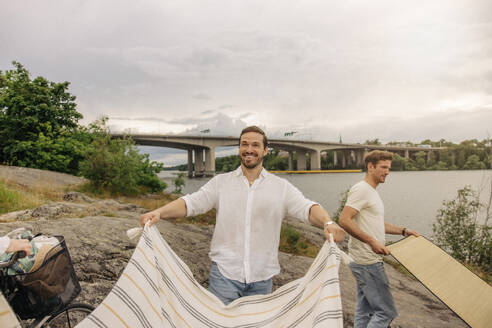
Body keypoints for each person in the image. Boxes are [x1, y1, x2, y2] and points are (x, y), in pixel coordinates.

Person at [140, 126, 346, 304]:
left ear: (265, 150)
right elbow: (191, 204)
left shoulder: (280, 187)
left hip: (262, 280)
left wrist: (328, 222)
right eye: (244, 144)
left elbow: (307, 208)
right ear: (239, 148)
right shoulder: (221, 183)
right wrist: (159, 212)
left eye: (255, 145)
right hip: (224, 277)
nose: (249, 150)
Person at [339, 150, 419, 328]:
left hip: (363, 260)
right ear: (370, 167)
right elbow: (344, 220)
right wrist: (372, 242)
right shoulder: (362, 190)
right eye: (383, 167)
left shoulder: (371, 192)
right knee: (386, 312)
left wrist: (403, 230)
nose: (387, 171)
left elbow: (376, 223)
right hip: (367, 262)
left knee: (365, 311)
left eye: (389, 168)